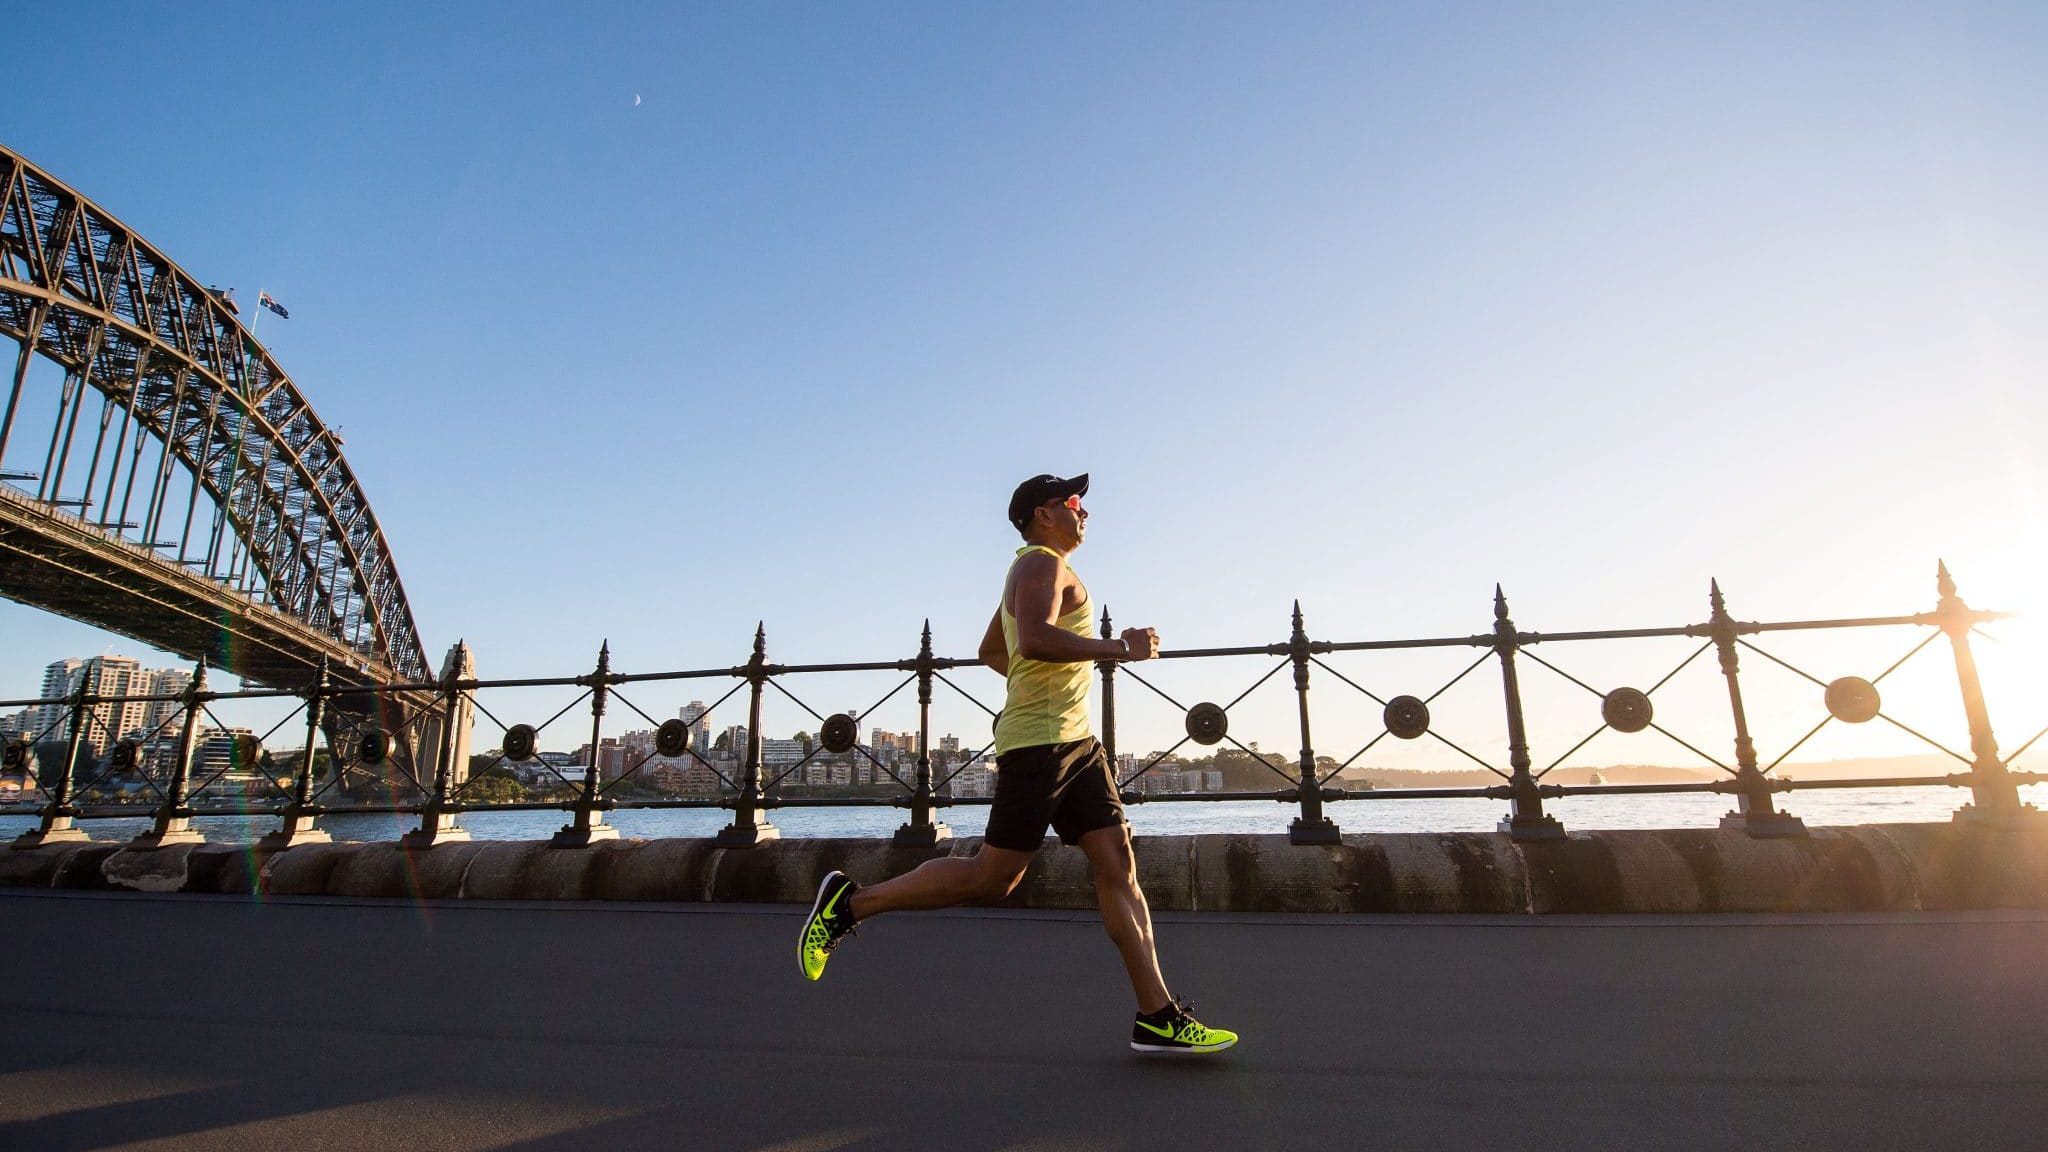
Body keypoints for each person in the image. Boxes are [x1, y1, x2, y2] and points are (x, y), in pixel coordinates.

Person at [797, 473, 1237, 1055]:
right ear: (1041, 514)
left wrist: (1044, 690)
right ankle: (848, 904)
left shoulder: (1044, 568)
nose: (1084, 512)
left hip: (1077, 743)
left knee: (1118, 861)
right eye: (1073, 503)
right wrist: (1118, 649)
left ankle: (1157, 1014)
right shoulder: (1040, 565)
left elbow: (993, 651)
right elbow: (1031, 640)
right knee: (992, 877)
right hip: (1041, 746)